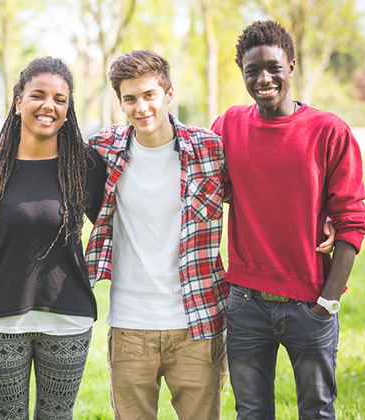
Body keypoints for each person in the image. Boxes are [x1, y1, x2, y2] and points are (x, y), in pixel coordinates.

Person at [211, 21, 365, 420]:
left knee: (317, 412)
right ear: (242, 74)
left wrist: (327, 303)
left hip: (310, 302)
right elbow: (204, 180)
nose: (264, 79)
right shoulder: (228, 125)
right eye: (253, 71)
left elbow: (352, 221)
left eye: (274, 68)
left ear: (292, 67)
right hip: (245, 303)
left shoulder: (329, 131)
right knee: (250, 413)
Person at [85, 49, 230, 419]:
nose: (141, 107)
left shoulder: (209, 150)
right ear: (120, 103)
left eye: (149, 95)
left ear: (168, 94)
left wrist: (321, 218)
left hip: (197, 323)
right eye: (130, 99)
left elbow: (257, 195)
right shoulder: (104, 150)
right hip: (130, 325)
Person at [0, 56, 106, 419]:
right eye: (38, 95)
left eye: (60, 99)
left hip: (67, 318)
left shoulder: (85, 165)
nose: (49, 106)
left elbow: (115, 226)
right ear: (18, 102)